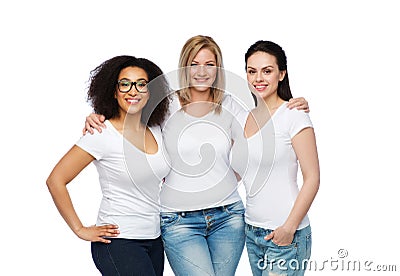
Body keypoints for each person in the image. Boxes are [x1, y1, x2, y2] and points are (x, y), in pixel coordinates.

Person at [83, 35, 310, 276]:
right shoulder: (165, 106)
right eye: (194, 63)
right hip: (179, 222)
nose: (201, 71)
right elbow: (127, 114)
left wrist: (291, 105)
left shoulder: (231, 106)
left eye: (209, 64)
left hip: (228, 218)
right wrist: (97, 117)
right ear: (185, 67)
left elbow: (260, 132)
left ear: (218, 69)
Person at [46, 55, 171, 276]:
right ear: (114, 92)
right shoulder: (101, 133)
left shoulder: (156, 129)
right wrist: (79, 229)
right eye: (125, 84)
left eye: (142, 84)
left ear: (150, 91)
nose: (133, 91)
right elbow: (56, 180)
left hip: (153, 239)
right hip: (118, 242)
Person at [231, 40, 320, 276]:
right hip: (251, 231)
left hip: (285, 234)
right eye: (252, 71)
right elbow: (237, 172)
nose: (258, 78)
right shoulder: (243, 118)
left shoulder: (294, 116)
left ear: (282, 74)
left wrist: (289, 228)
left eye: (267, 71)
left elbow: (312, 178)